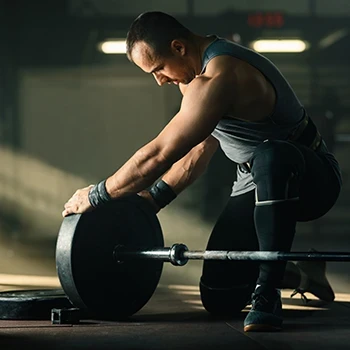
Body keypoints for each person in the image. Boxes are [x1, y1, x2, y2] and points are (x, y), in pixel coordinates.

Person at [62, 12, 342, 331]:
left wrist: (98, 194)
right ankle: (302, 271)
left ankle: (268, 293)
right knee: (218, 296)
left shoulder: (223, 74)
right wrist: (153, 201)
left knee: (270, 155)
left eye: (158, 69)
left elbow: (159, 153)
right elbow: (196, 151)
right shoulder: (193, 82)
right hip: (254, 182)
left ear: (179, 47)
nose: (160, 81)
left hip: (312, 179)